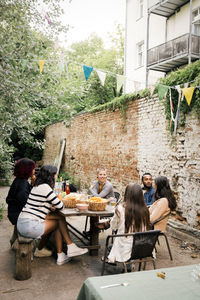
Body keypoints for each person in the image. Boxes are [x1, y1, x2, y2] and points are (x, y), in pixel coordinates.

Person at [17, 165, 88, 265]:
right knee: (59, 221)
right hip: (29, 225)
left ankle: (63, 253)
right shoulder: (46, 188)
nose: (56, 176)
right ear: (50, 176)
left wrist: (52, 206)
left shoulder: (37, 186)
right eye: (55, 174)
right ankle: (68, 248)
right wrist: (55, 205)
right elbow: (61, 206)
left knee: (59, 218)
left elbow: (40, 205)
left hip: (22, 222)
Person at [104, 183, 150, 263]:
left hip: (124, 247)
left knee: (113, 242)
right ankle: (129, 264)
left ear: (127, 194)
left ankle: (115, 259)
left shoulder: (120, 209)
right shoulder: (146, 210)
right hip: (141, 246)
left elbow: (113, 227)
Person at [6, 158, 36, 245]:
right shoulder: (22, 184)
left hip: (13, 212)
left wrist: (32, 184)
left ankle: (14, 238)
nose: (34, 171)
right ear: (27, 170)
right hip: (18, 215)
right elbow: (26, 203)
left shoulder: (19, 180)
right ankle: (38, 247)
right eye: (33, 168)